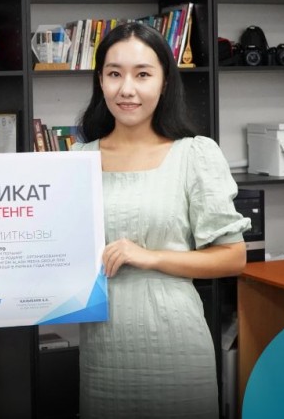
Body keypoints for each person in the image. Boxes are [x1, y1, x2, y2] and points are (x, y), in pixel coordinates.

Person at [72, 22, 250, 418]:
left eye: (142, 74)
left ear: (165, 81)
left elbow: (233, 257)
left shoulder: (194, 154)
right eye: (114, 74)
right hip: (103, 353)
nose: (126, 89)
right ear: (100, 81)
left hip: (176, 348)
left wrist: (149, 256)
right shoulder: (77, 160)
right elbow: (51, 251)